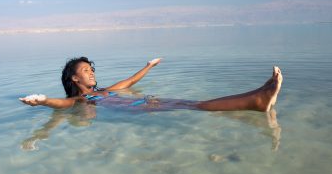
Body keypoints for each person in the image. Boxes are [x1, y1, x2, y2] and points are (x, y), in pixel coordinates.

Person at [19, 57, 282, 112]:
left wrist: (149, 65)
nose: (91, 73)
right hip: (136, 109)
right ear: (75, 79)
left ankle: (259, 95)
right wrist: (42, 100)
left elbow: (131, 81)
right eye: (85, 71)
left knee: (192, 104)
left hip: (143, 102)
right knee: (196, 105)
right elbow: (61, 103)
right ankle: (257, 100)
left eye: (91, 69)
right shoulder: (81, 99)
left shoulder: (103, 91)